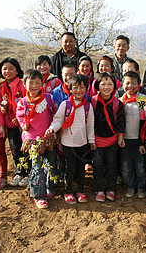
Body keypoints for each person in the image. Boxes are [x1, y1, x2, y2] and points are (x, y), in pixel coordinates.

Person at [46, 74, 96, 204]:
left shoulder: (88, 106)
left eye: (82, 87)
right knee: (70, 168)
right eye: (75, 87)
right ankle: (68, 191)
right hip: (68, 143)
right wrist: (52, 128)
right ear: (70, 88)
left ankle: (80, 191)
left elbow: (90, 125)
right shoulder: (65, 104)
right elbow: (58, 120)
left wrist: (91, 140)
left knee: (81, 168)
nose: (79, 90)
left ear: (86, 89)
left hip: (82, 143)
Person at [16, 69, 58, 209]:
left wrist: (53, 127)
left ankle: (50, 188)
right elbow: (19, 116)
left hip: (47, 138)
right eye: (31, 83)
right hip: (33, 139)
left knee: (51, 164)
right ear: (24, 84)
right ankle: (38, 195)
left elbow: (54, 113)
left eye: (37, 82)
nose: (34, 85)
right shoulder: (23, 102)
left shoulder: (48, 98)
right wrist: (24, 125)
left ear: (42, 83)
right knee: (37, 167)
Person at [91, 72, 125, 202]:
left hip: (112, 140)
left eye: (109, 84)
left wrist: (121, 136)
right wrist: (90, 139)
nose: (106, 87)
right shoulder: (93, 101)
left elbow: (121, 121)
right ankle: (99, 189)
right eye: (103, 84)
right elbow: (89, 121)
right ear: (97, 86)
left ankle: (111, 189)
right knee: (98, 165)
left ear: (114, 86)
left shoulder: (117, 103)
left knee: (111, 165)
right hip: (96, 140)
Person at [0, 57, 28, 187]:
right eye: (4, 69)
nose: (7, 71)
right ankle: (19, 172)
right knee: (14, 149)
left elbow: (28, 103)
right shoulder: (1, 87)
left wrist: (22, 118)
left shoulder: (22, 85)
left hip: (24, 126)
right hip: (10, 124)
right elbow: (0, 107)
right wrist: (2, 124)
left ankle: (28, 174)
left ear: (17, 71)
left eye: (11, 68)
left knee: (25, 148)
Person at [119, 71, 146, 198]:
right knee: (126, 166)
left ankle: (141, 187)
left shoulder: (144, 99)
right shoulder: (120, 101)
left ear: (139, 85)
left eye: (133, 83)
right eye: (127, 83)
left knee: (141, 166)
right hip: (125, 139)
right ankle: (130, 186)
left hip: (140, 139)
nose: (130, 86)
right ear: (122, 85)